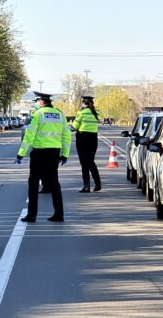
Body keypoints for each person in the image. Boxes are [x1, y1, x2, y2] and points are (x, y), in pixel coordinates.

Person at [16, 92, 71, 223]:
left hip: (39, 153)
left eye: (36, 101)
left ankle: (32, 215)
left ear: (41, 102)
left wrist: (21, 154)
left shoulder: (37, 115)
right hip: (54, 153)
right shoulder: (60, 115)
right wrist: (65, 154)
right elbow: (66, 136)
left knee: (33, 183)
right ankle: (59, 214)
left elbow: (29, 136)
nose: (35, 104)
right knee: (54, 183)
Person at [73, 95, 102, 193]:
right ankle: (97, 183)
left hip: (82, 139)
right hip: (93, 139)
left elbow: (75, 126)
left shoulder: (81, 113)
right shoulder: (96, 113)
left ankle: (86, 185)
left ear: (83, 103)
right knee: (90, 161)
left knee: (84, 163)